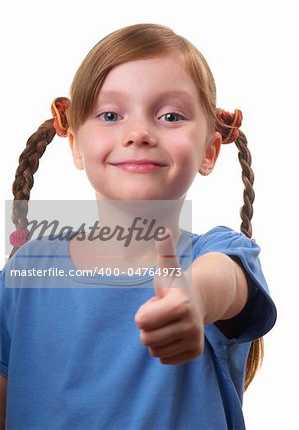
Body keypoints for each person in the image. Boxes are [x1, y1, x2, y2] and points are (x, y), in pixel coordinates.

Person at [0, 23, 276, 430]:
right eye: (110, 114)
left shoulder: (217, 253)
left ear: (209, 151)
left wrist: (194, 298)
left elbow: (225, 283)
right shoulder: (27, 271)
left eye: (170, 115)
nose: (139, 133)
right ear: (76, 144)